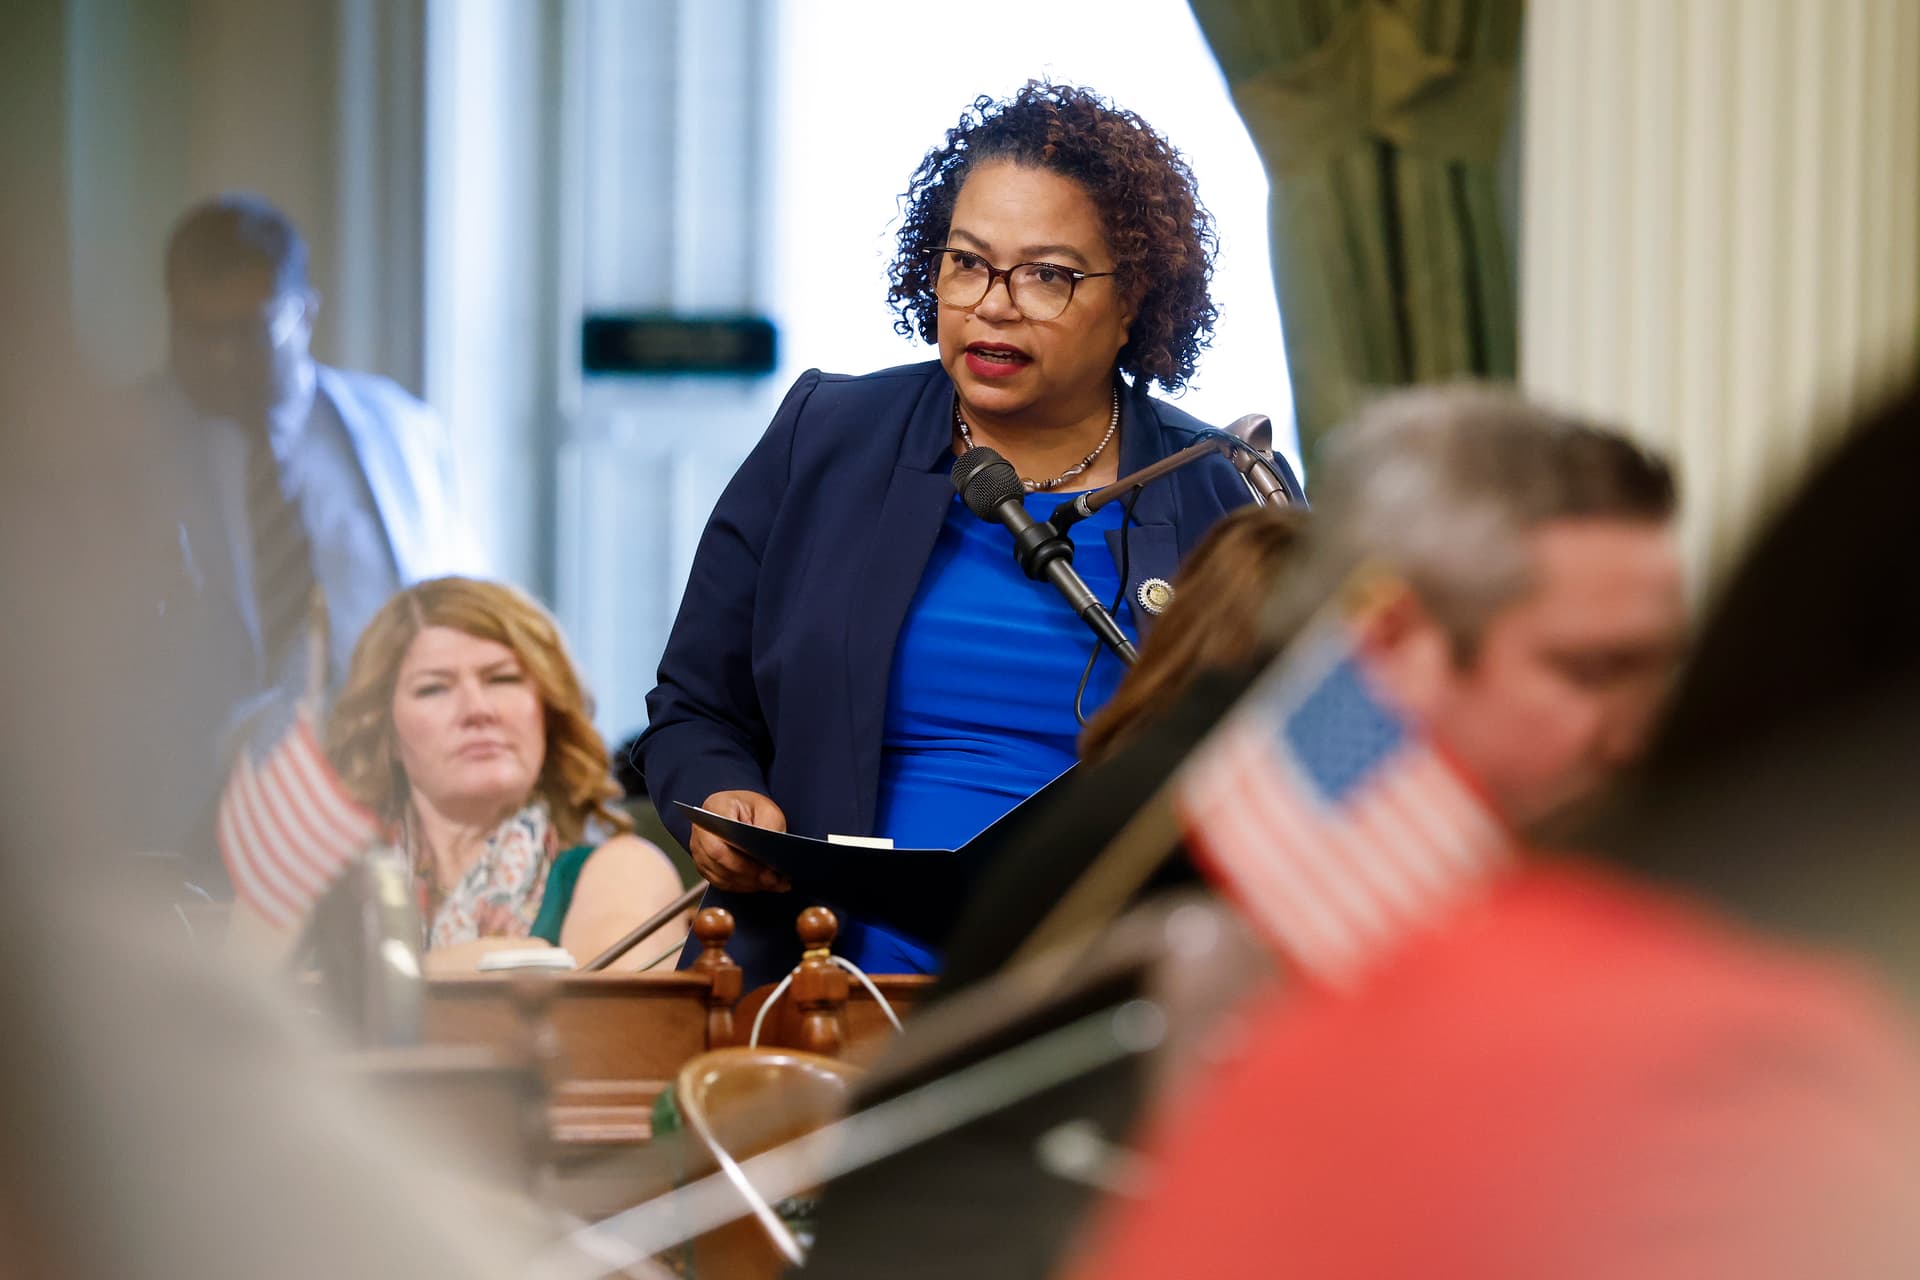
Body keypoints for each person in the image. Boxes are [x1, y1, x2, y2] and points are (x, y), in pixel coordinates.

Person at [1065, 385, 1920, 1278]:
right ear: (1398, 644)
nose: (1638, 732)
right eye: (1592, 671)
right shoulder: (1188, 858)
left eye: (1662, 670)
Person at [639, 81, 1254, 986]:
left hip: (1095, 996)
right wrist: (718, 797)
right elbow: (695, 708)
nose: (993, 304)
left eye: (1048, 275)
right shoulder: (825, 436)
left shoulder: (1215, 493)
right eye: (966, 263)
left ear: (1135, 303)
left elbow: (1294, 767)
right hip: (820, 975)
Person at [135, 193, 484, 885]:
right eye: (194, 330)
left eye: (245, 329)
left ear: (305, 312)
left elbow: (466, 608)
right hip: (183, 818)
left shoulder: (401, 432)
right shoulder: (114, 450)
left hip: (381, 805)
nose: (217, 356)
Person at [325, 577, 687, 970]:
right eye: (434, 688)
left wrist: (359, 985)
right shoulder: (320, 888)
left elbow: (603, 1020)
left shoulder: (624, 869)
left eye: (503, 679)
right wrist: (495, 962)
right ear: (385, 732)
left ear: (547, 711)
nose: (477, 709)